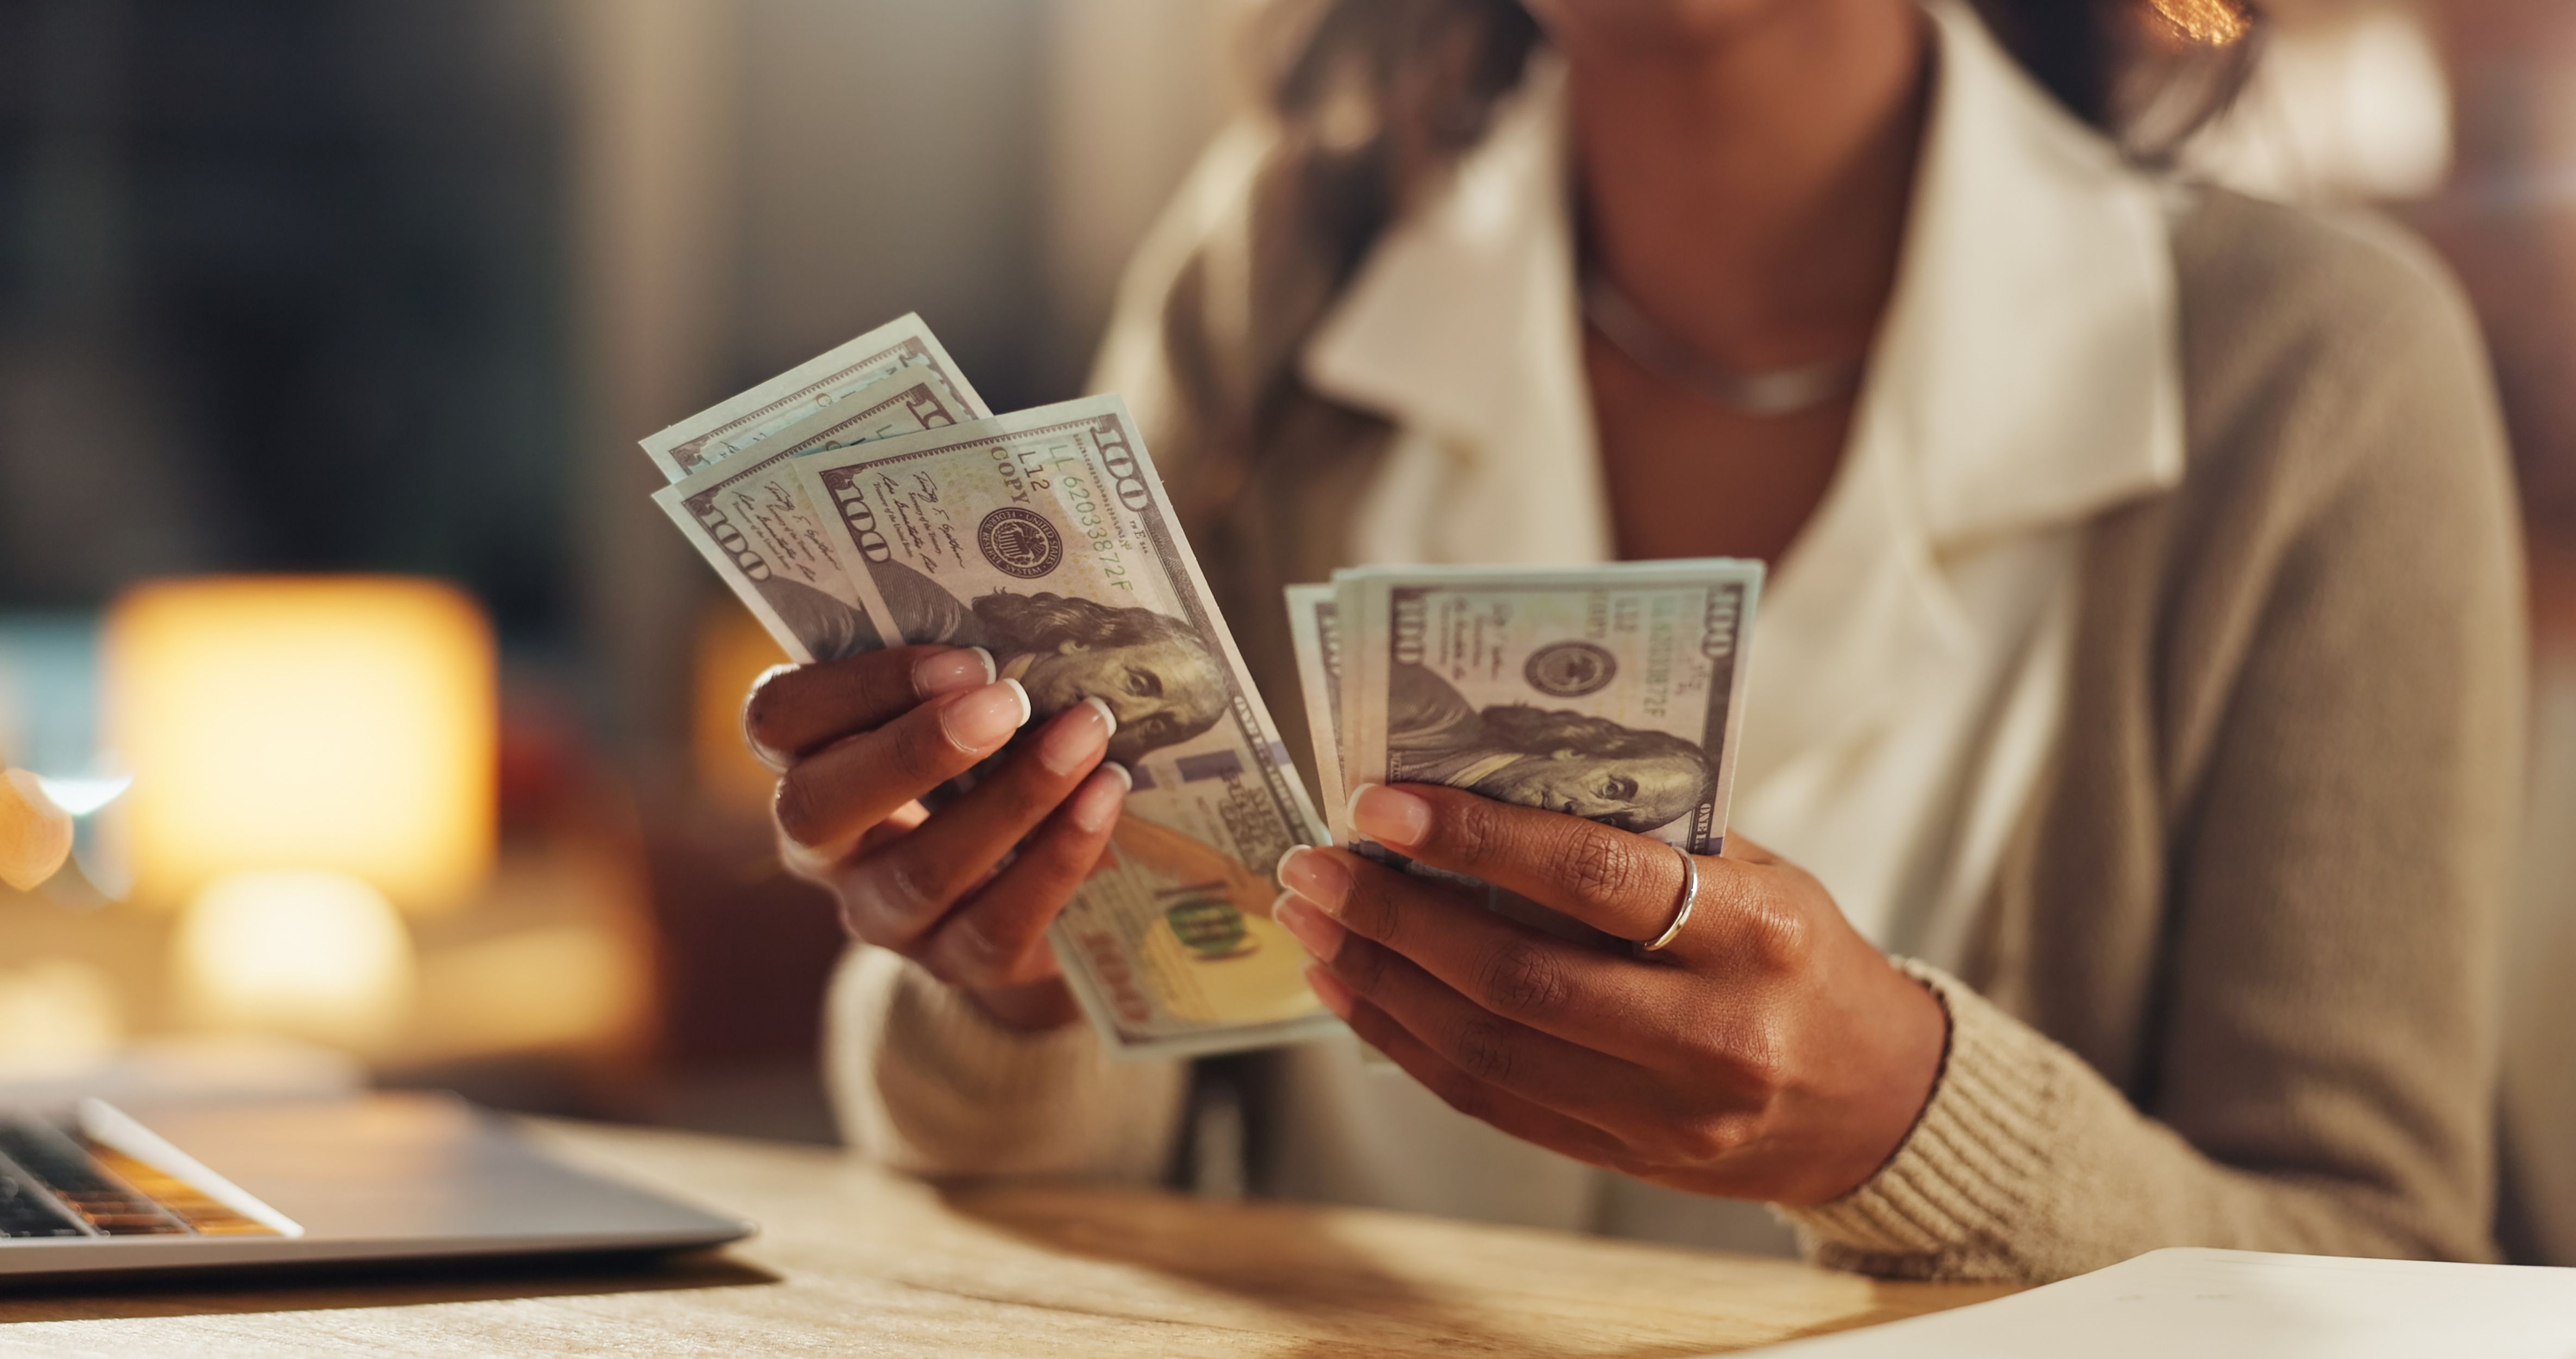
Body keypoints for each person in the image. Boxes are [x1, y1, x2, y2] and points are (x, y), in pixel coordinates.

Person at [751, 0, 2524, 1283]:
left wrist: (1904, 1125)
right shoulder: (1279, 269)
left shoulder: (2320, 378)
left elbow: (2388, 1275)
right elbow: (1103, 1151)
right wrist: (1019, 990)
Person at [1386, 660, 1714, 833]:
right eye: (1611, 789)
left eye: (1614, 824)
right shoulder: (1429, 709)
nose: (1585, 814)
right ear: (1575, 750)